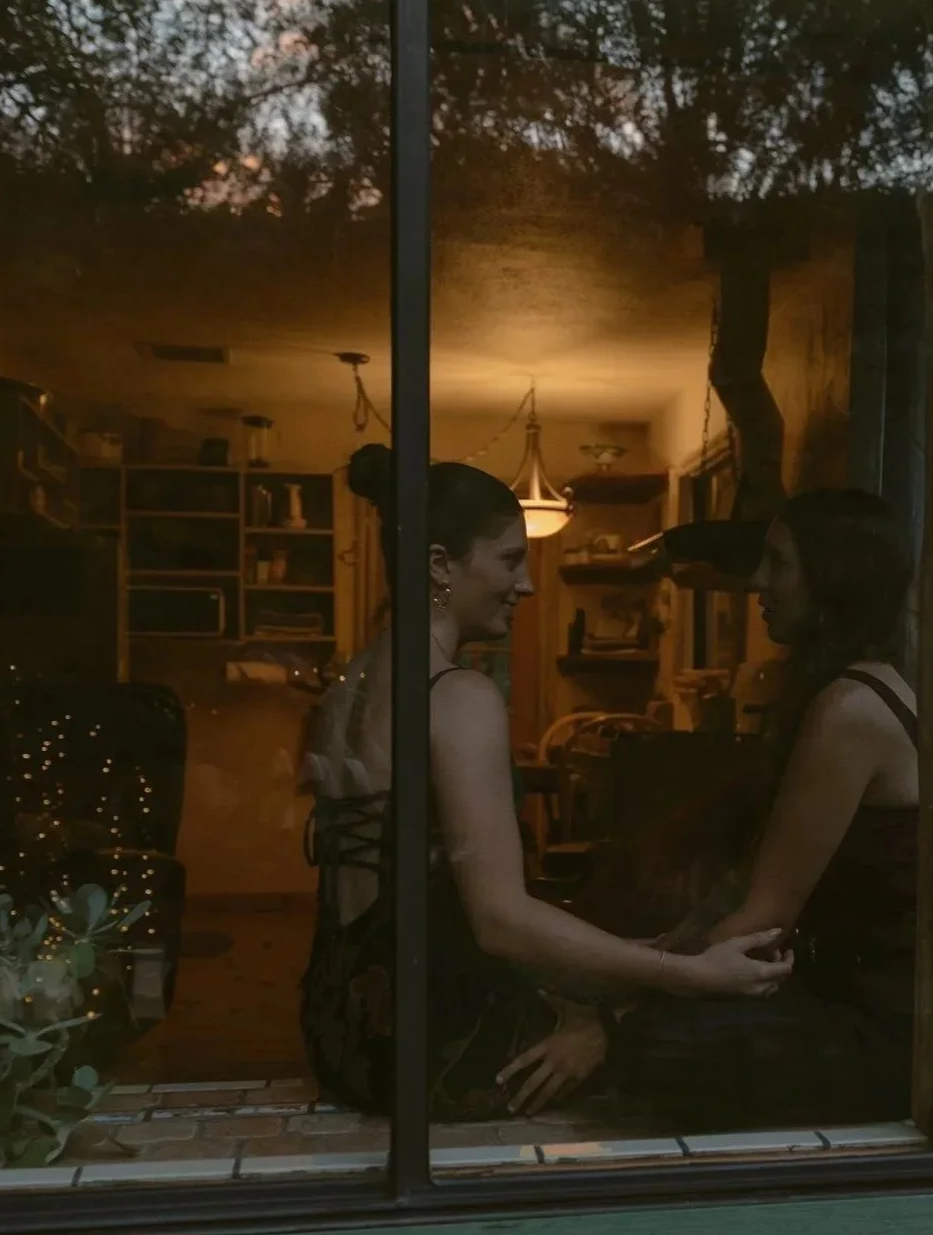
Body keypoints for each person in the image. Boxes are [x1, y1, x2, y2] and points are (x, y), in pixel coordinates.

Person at [299, 445, 792, 1122]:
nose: (527, 584)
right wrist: (683, 975)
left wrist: (626, 962)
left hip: (340, 1030)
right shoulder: (457, 694)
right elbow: (499, 922)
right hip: (435, 1042)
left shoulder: (349, 686)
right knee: (726, 1044)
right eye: (509, 559)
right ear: (438, 564)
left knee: (625, 992)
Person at [607, 489, 920, 1128]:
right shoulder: (863, 686)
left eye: (779, 563)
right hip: (843, 995)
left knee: (653, 1047)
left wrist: (616, 1017)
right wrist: (647, 962)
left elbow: (765, 918)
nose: (756, 582)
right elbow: (743, 888)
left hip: (882, 1026)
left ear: (833, 576)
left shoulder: (851, 709)